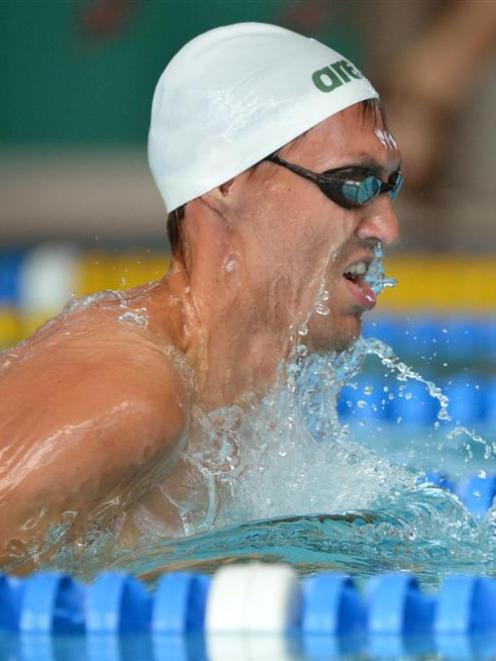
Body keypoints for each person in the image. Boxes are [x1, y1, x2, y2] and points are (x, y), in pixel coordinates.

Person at [0, 23, 401, 569]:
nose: (386, 227)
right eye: (351, 183)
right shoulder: (129, 403)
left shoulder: (239, 396)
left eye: (386, 187)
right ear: (225, 180)